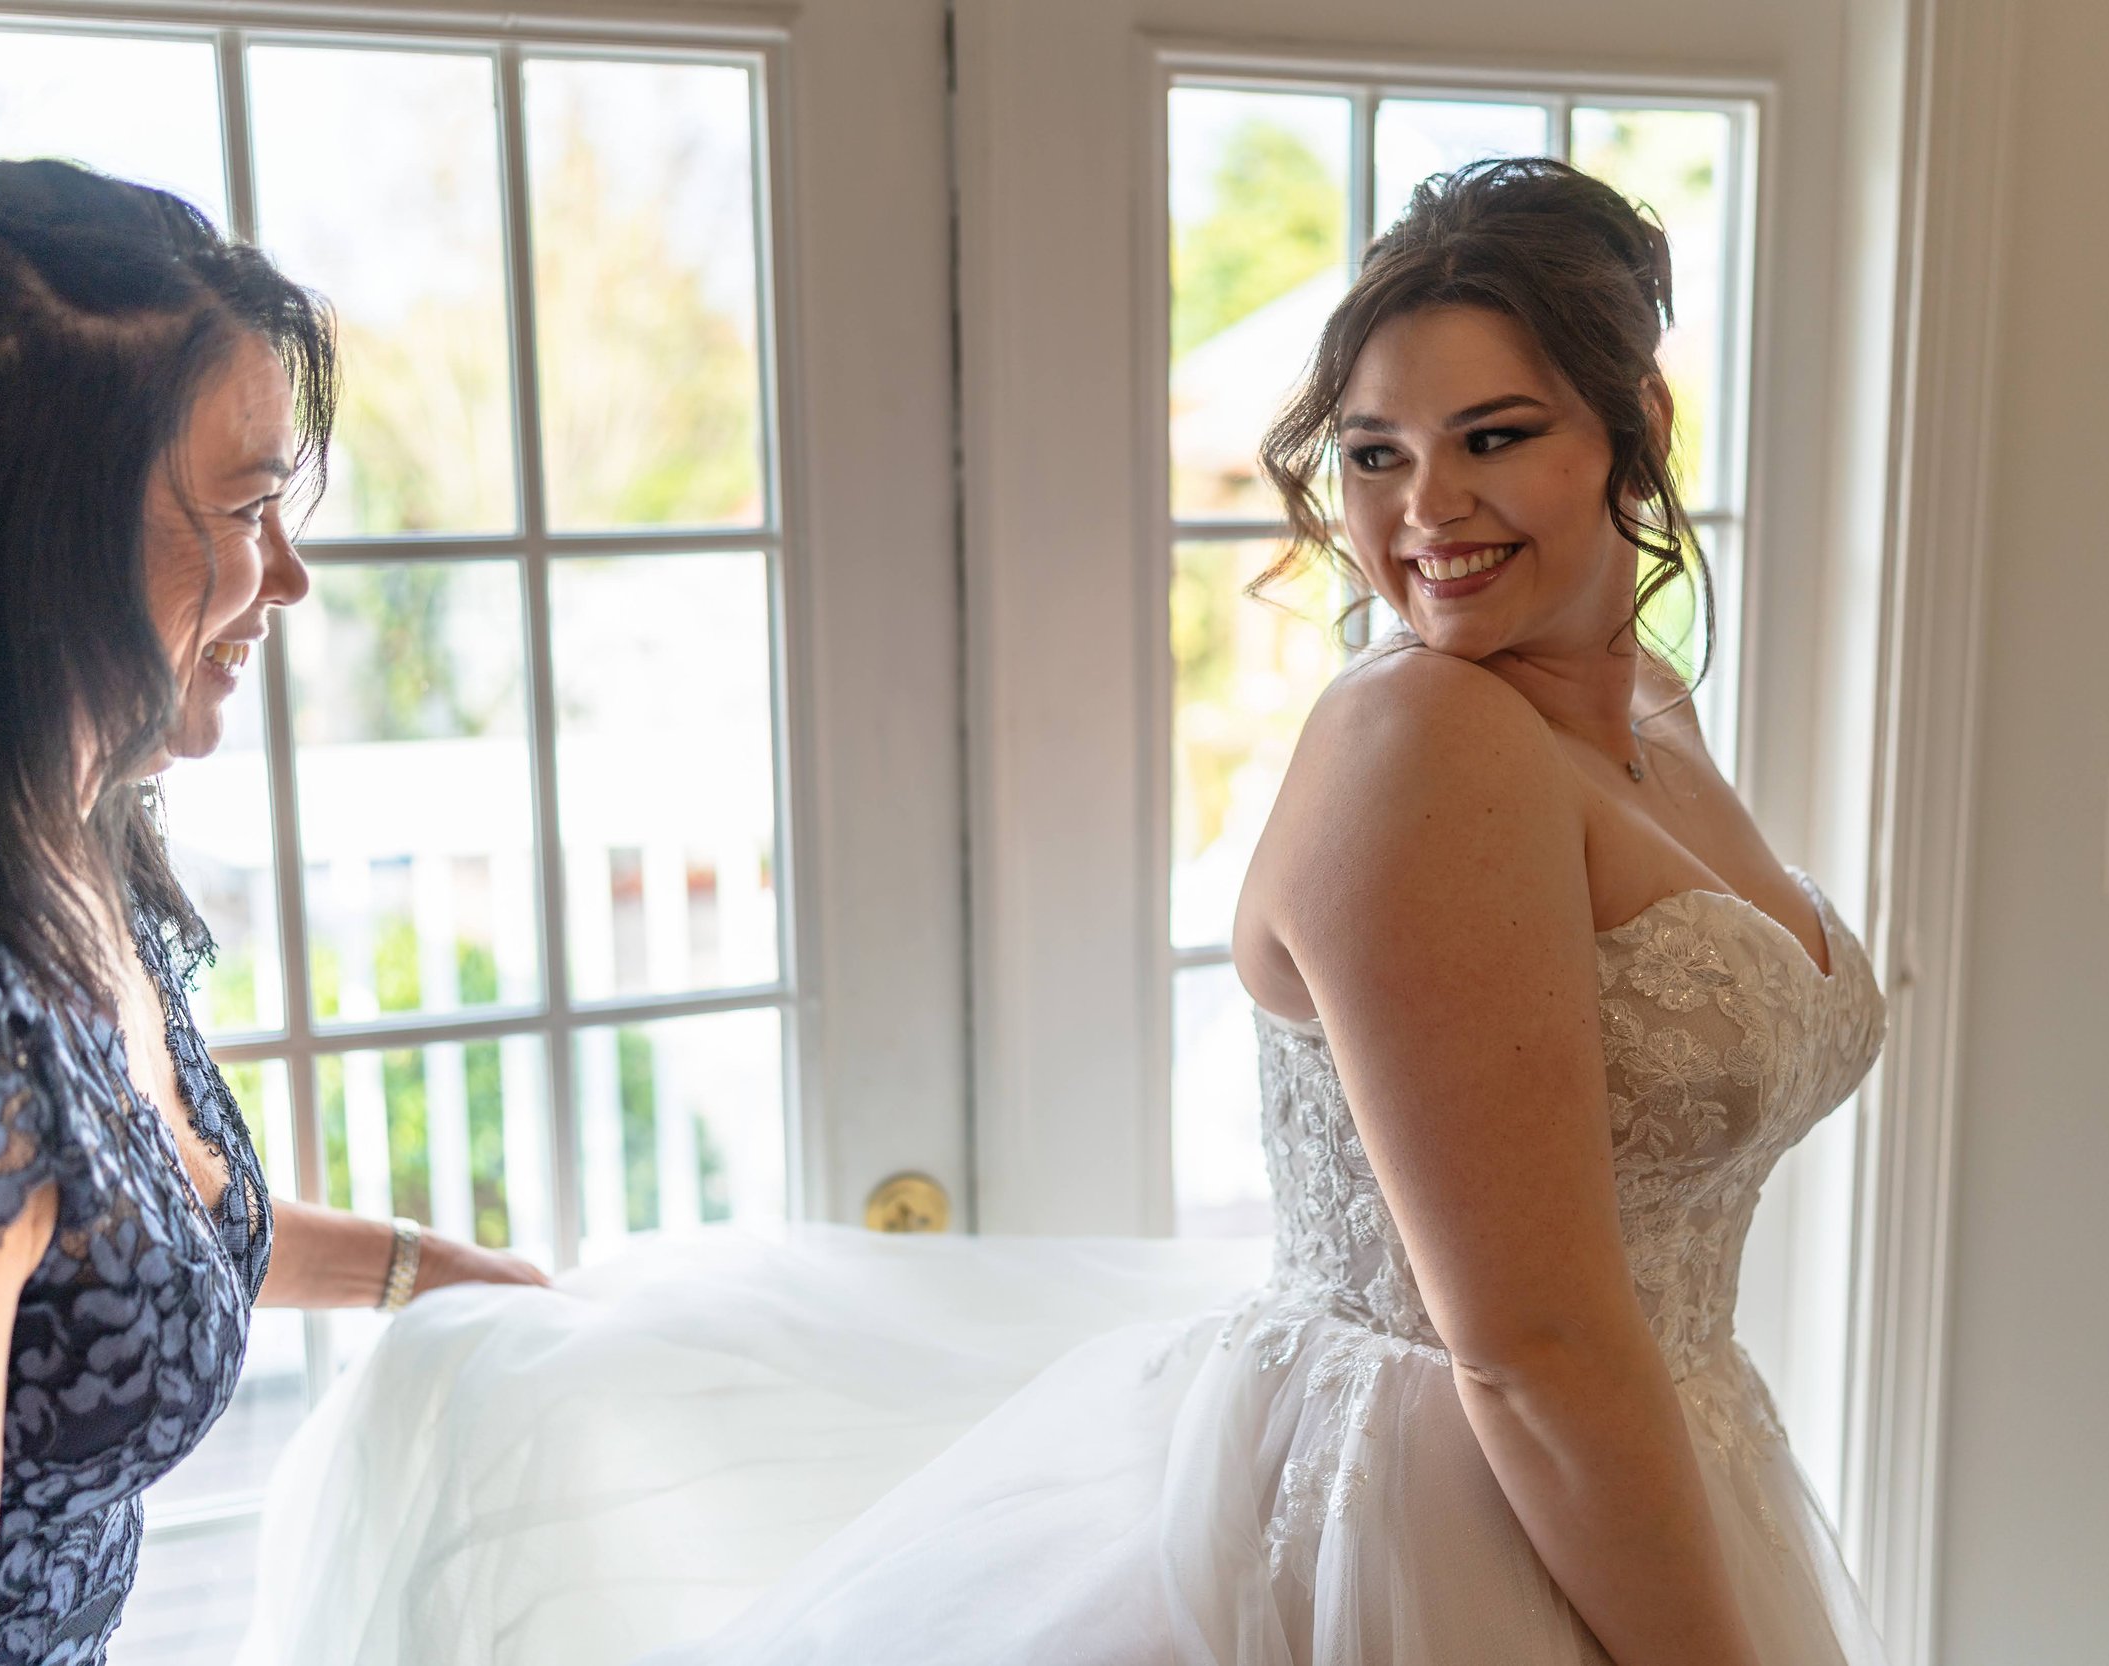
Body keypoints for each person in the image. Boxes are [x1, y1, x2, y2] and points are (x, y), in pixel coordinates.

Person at [241, 157, 1888, 1666]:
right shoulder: (1426, 735)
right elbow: (1528, 1345)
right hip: (1449, 1528)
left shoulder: (1646, 705)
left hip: (1664, 1458)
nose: (1424, 510)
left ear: (1639, 423)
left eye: (1496, 436)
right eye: (1376, 455)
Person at [0, 159, 546, 1666]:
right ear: (29, 536)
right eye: (241, 509)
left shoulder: (69, 834)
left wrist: (427, 1270)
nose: (285, 577)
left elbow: (111, 1238)